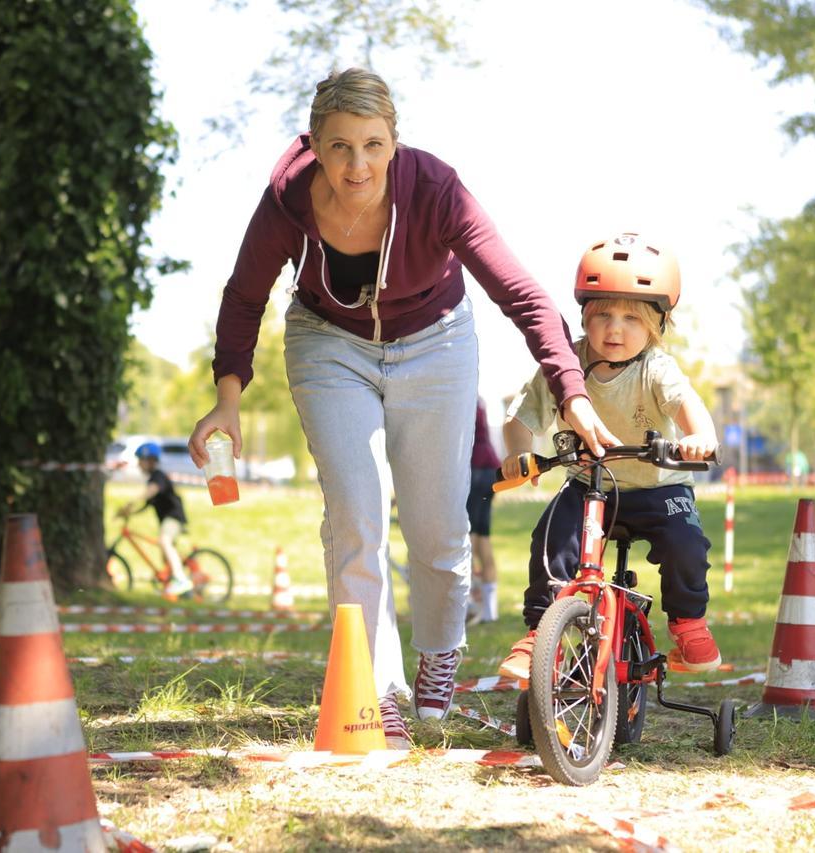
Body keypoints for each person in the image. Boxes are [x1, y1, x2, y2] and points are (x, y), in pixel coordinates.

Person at [188, 68, 615, 749]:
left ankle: (440, 649)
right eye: (339, 147)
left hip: (437, 343)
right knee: (357, 514)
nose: (357, 165)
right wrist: (227, 401)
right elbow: (244, 297)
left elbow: (522, 294)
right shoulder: (287, 199)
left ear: (394, 142)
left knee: (440, 526)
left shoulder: (435, 190)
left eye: (373, 145)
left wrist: (573, 389)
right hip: (329, 345)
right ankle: (378, 686)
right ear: (315, 144)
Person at [497, 232, 723, 680]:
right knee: (551, 540)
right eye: (602, 315)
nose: (614, 329)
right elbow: (522, 419)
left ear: (656, 327)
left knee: (686, 547)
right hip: (589, 484)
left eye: (631, 318)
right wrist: (519, 452)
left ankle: (689, 624)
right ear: (584, 316)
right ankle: (540, 633)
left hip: (659, 488)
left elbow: (692, 412)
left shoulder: (656, 368)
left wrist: (702, 438)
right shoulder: (566, 364)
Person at [117, 441, 193, 599]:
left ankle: (181, 580)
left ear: (150, 460)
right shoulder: (152, 478)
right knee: (166, 555)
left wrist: (131, 502)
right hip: (167, 519)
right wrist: (130, 512)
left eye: (141, 460)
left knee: (164, 541)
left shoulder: (158, 477)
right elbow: (147, 505)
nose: (138, 464)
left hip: (174, 517)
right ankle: (179, 586)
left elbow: (152, 491)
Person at [465, 397, 500, 625]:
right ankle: (490, 610)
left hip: (474, 468)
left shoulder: (460, 397)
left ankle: (467, 606)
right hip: (490, 469)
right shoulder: (478, 400)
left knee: (466, 539)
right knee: (482, 539)